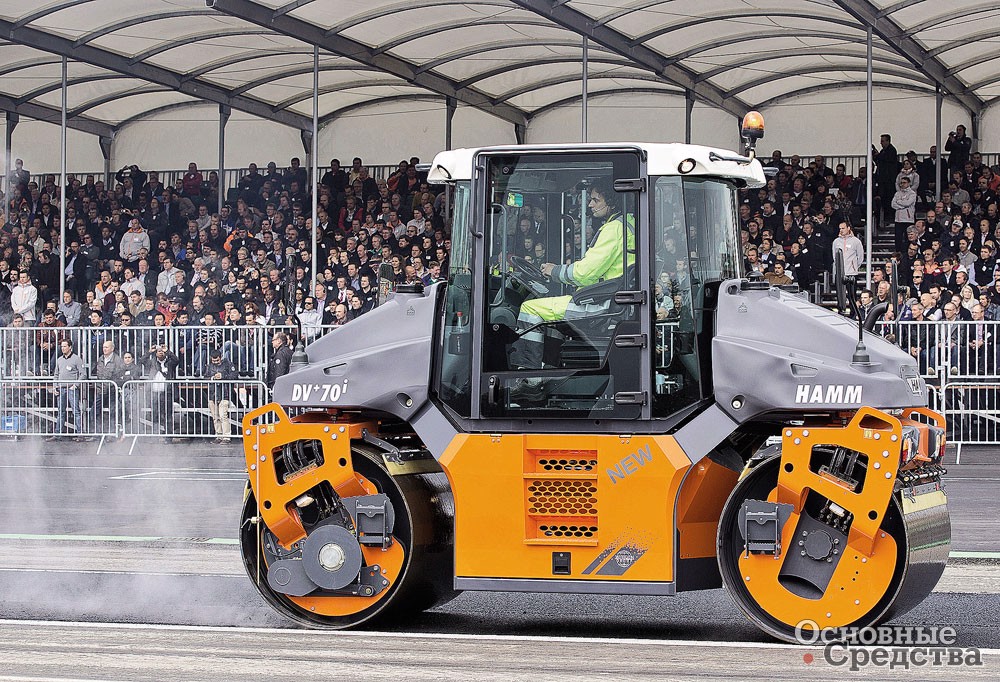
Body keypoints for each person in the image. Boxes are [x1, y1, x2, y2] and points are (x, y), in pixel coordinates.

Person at [511, 179, 634, 372]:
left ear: (611, 202)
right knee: (550, 316)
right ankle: (549, 369)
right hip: (612, 302)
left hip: (600, 305)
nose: (590, 204)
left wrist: (554, 271)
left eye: (595, 200)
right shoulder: (629, 223)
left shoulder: (614, 229)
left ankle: (529, 375)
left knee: (530, 309)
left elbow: (585, 273)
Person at [141, 344, 179, 441]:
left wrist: (168, 351)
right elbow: (142, 360)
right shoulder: (152, 362)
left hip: (167, 392)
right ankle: (155, 436)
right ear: (156, 353)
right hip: (154, 392)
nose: (161, 352)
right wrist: (149, 352)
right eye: (159, 351)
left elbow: (176, 360)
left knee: (168, 415)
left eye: (162, 351)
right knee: (155, 415)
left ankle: (168, 437)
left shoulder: (170, 363)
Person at [50, 339, 86, 441]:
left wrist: (76, 385)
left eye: (65, 346)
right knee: (60, 412)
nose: (62, 348)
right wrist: (55, 386)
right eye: (61, 346)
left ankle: (80, 434)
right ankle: (58, 434)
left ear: (70, 347)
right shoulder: (59, 360)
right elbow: (56, 375)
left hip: (72, 389)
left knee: (76, 411)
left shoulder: (76, 359)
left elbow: (83, 374)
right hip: (61, 388)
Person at [203, 349, 238, 444]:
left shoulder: (228, 364)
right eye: (213, 361)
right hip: (212, 394)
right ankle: (219, 435)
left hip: (224, 394)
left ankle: (226, 437)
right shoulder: (209, 366)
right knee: (215, 417)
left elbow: (235, 375)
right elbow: (205, 377)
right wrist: (212, 378)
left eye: (217, 360)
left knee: (223, 416)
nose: (215, 362)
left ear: (221, 357)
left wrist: (223, 376)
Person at [93, 340, 124, 436]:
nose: (104, 349)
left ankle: (112, 433)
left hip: (112, 390)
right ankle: (97, 433)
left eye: (106, 347)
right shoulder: (100, 359)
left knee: (113, 412)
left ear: (112, 348)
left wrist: (112, 385)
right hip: (101, 389)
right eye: (103, 347)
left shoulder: (117, 360)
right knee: (94, 411)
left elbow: (119, 374)